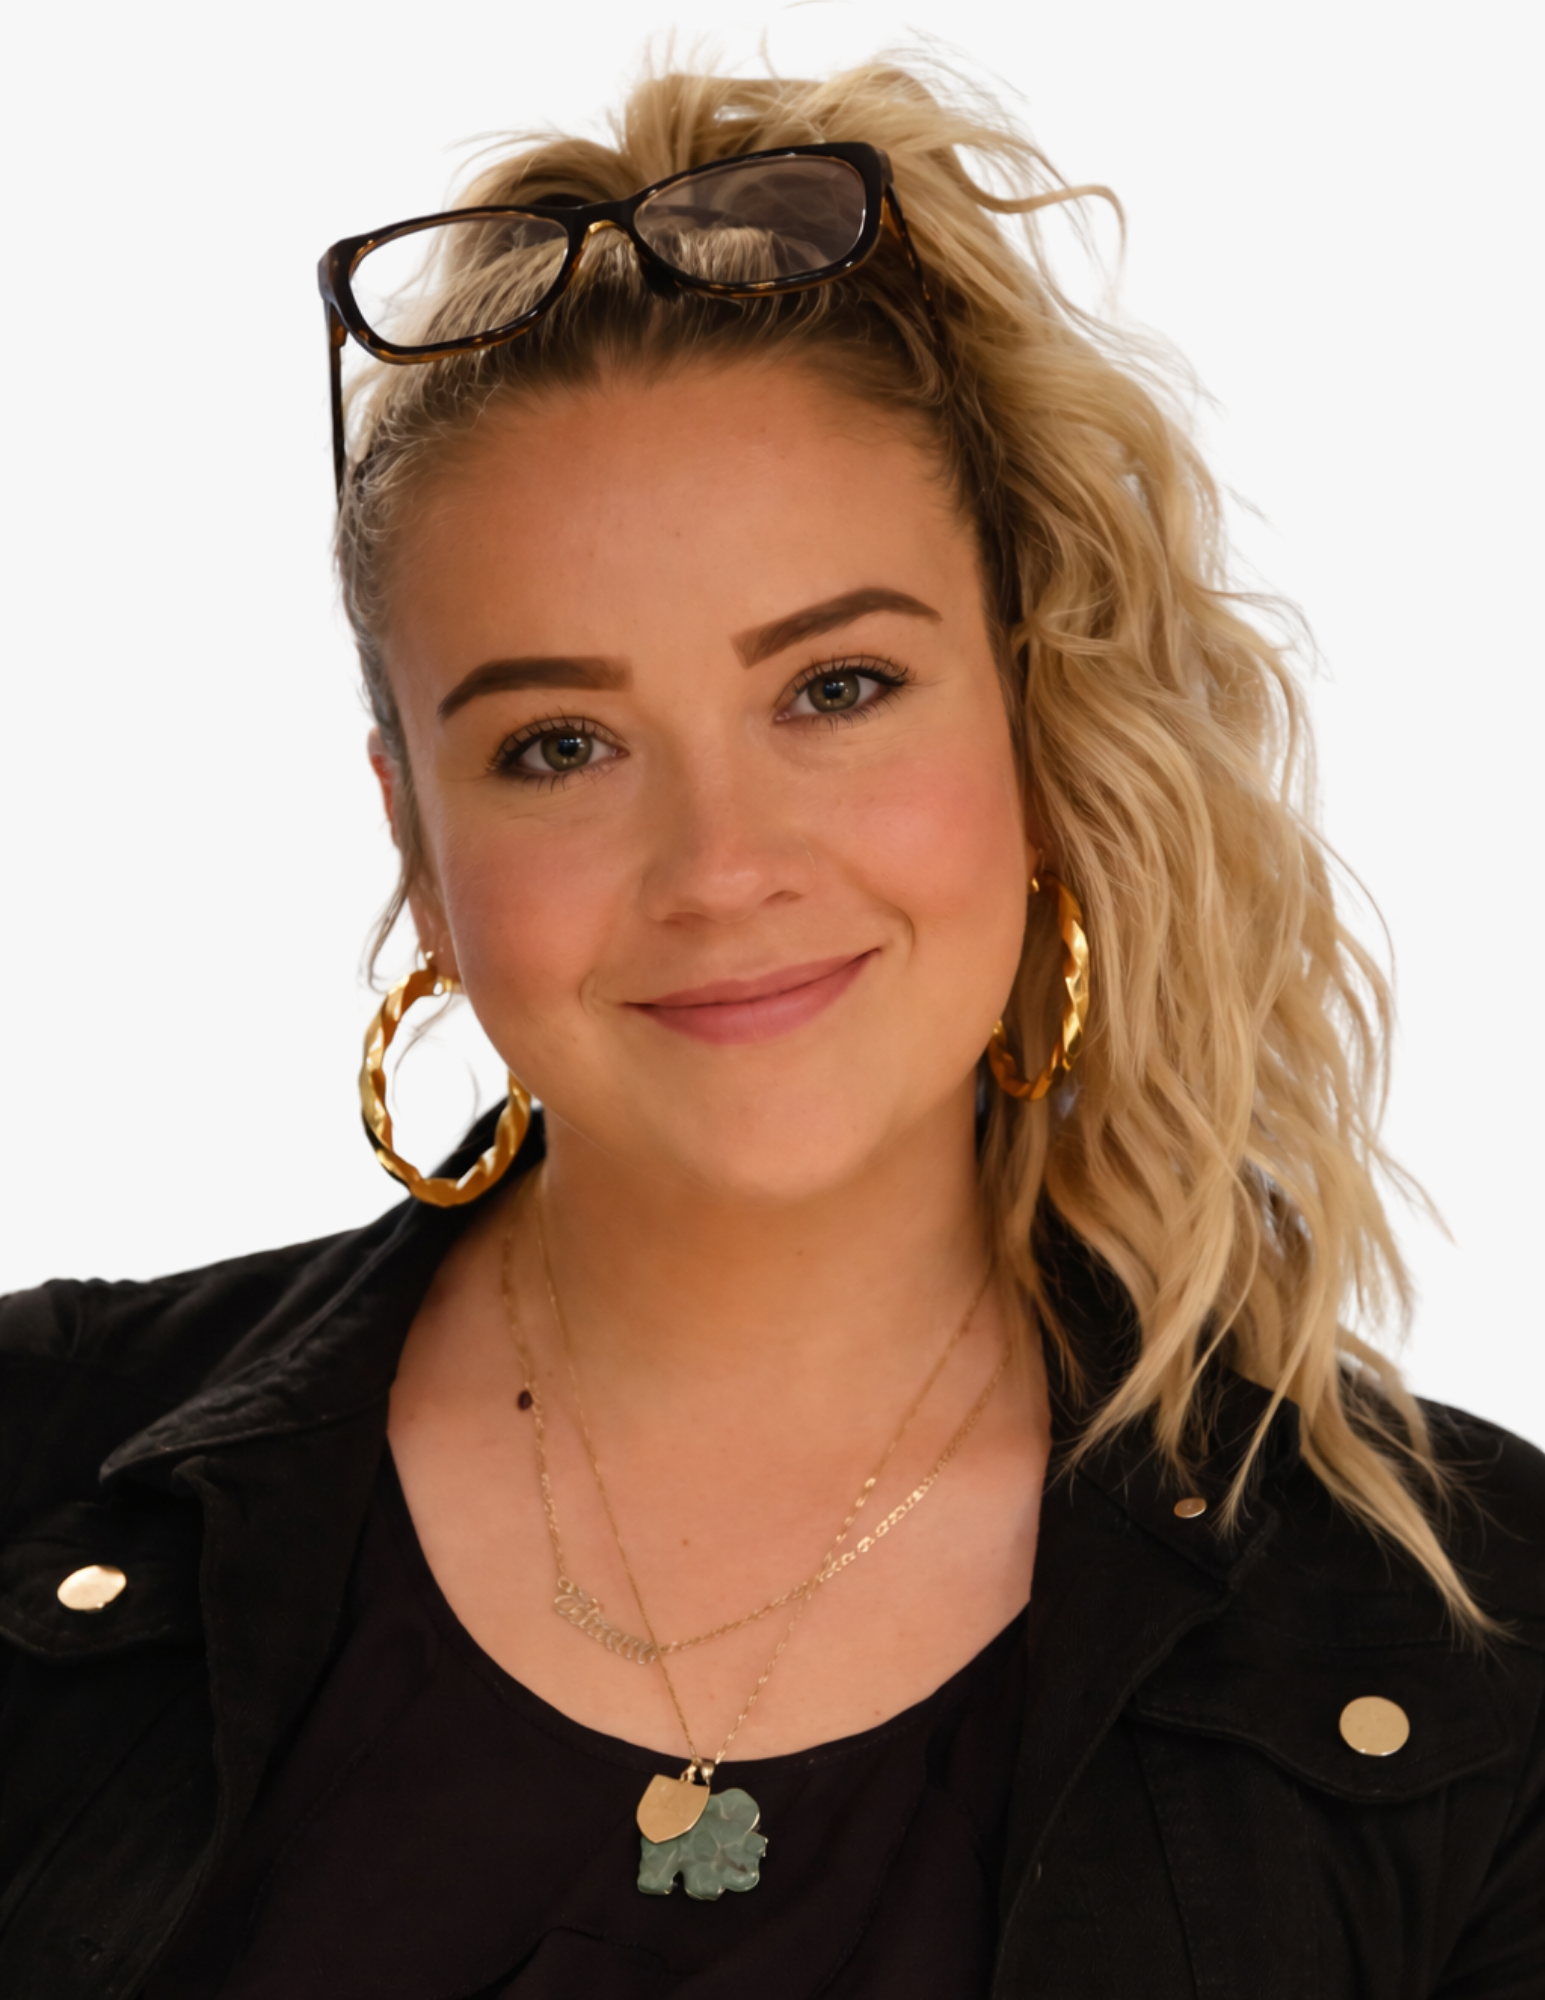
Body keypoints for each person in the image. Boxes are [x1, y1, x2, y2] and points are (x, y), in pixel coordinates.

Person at [1, 56, 1540, 2000]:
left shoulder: (1473, 1659)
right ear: (413, 833)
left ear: (1033, 720)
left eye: (834, 686)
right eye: (558, 743)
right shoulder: (35, 1454)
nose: (719, 864)